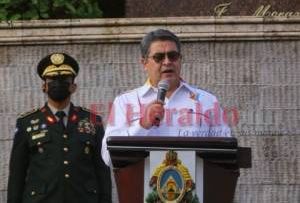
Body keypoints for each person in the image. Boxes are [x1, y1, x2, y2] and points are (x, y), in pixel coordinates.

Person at [101, 29, 231, 166]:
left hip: (195, 184)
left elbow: (226, 152)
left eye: (173, 56)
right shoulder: (125, 102)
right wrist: (142, 125)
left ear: (180, 60)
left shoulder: (208, 101)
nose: (167, 62)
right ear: (144, 63)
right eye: (159, 57)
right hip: (142, 184)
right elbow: (107, 157)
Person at [7, 53, 112, 203]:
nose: (58, 83)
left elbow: (102, 171)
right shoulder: (26, 123)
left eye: (64, 79)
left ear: (73, 86)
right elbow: (17, 175)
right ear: (44, 86)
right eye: (52, 80)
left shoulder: (92, 120)